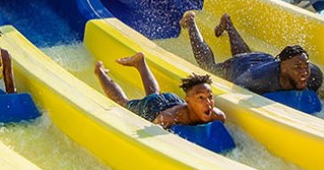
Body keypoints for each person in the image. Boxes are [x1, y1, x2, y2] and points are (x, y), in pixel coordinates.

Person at [180, 11, 323, 94]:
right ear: (284, 67)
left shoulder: (314, 76)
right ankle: (191, 22)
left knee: (247, 55)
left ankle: (228, 25)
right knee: (209, 68)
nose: (304, 72)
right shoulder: (258, 79)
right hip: (239, 67)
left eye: (306, 66)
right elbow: (235, 89)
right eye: (298, 67)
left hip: (263, 59)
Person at [93, 52, 225, 129]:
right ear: (188, 101)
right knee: (123, 103)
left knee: (155, 95)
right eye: (201, 98)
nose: (208, 103)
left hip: (172, 101)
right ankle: (99, 72)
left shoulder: (217, 116)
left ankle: (140, 63)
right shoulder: (169, 118)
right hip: (155, 109)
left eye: (210, 97)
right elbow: (151, 128)